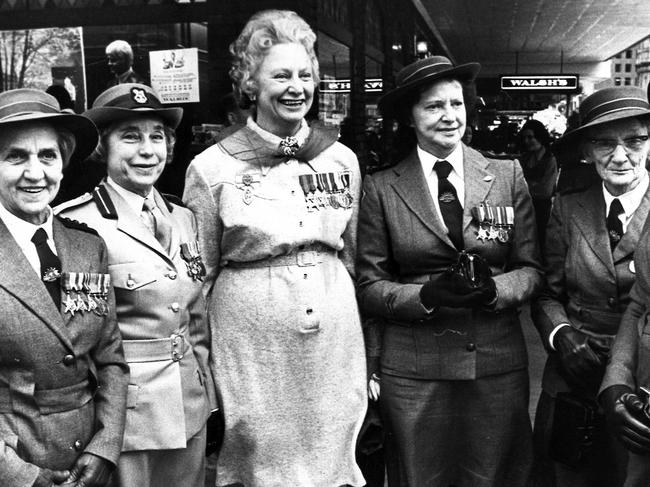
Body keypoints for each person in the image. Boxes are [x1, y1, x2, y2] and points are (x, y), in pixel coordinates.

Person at [183, 9, 366, 487]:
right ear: (250, 83)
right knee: (260, 457)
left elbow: (353, 253)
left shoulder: (340, 158)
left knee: (333, 448)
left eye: (305, 74)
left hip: (332, 329)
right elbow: (197, 275)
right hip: (251, 337)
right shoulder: (212, 167)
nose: (296, 87)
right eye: (280, 75)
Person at [356, 55, 543, 487]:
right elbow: (368, 284)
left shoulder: (505, 173)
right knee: (420, 476)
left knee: (497, 475)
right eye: (434, 106)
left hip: (495, 360)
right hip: (416, 366)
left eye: (456, 104)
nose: (449, 116)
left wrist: (494, 290)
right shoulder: (382, 187)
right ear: (410, 116)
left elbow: (532, 268)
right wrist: (427, 296)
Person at [56, 83, 216, 487]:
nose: (148, 150)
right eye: (131, 137)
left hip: (189, 409)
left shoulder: (183, 218)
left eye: (156, 137)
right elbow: (80, 341)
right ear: (102, 149)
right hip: (128, 420)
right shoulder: (78, 226)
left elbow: (195, 319)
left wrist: (208, 401)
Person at [0, 88, 128, 486]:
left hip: (89, 463)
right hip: (18, 461)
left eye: (48, 156)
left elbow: (111, 360)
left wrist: (104, 448)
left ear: (64, 163)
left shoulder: (87, 246)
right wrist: (20, 475)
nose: (35, 173)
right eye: (16, 156)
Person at [531, 86, 650, 487]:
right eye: (604, 143)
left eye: (634, 140)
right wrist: (561, 334)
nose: (620, 156)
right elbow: (548, 291)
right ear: (586, 150)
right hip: (574, 376)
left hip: (641, 383)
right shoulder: (568, 206)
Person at [518, 119, 558, 247]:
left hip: (542, 212)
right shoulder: (525, 158)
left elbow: (545, 191)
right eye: (525, 138)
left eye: (530, 137)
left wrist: (524, 185)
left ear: (539, 137)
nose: (527, 141)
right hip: (524, 209)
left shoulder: (550, 160)